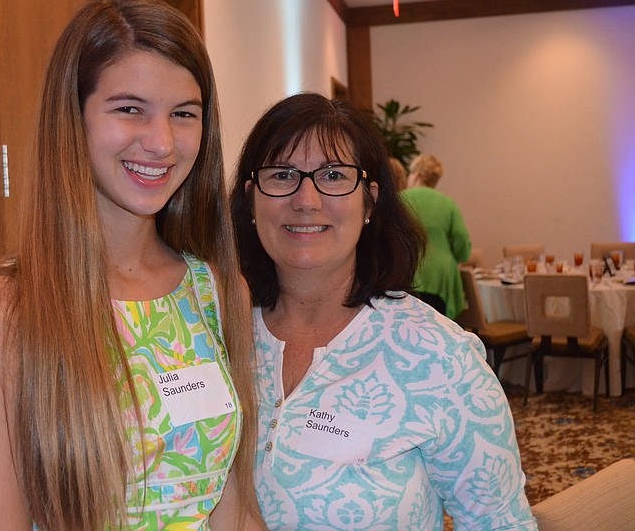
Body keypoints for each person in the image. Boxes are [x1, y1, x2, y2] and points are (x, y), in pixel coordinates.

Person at [0, 0, 262, 530]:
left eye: (184, 114)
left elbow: (233, 508)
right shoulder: (1, 312)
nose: (161, 142)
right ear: (74, 118)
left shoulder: (217, 290)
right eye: (130, 109)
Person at [229, 92, 536, 530]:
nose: (306, 199)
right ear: (251, 200)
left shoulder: (439, 356)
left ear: (369, 201)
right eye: (282, 175)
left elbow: (499, 524)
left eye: (333, 175)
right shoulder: (216, 335)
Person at [401, 154, 472, 319]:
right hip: (441, 275)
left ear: (416, 175)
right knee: (440, 327)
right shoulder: (447, 203)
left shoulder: (401, 200)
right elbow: (461, 238)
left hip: (410, 271)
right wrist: (459, 257)